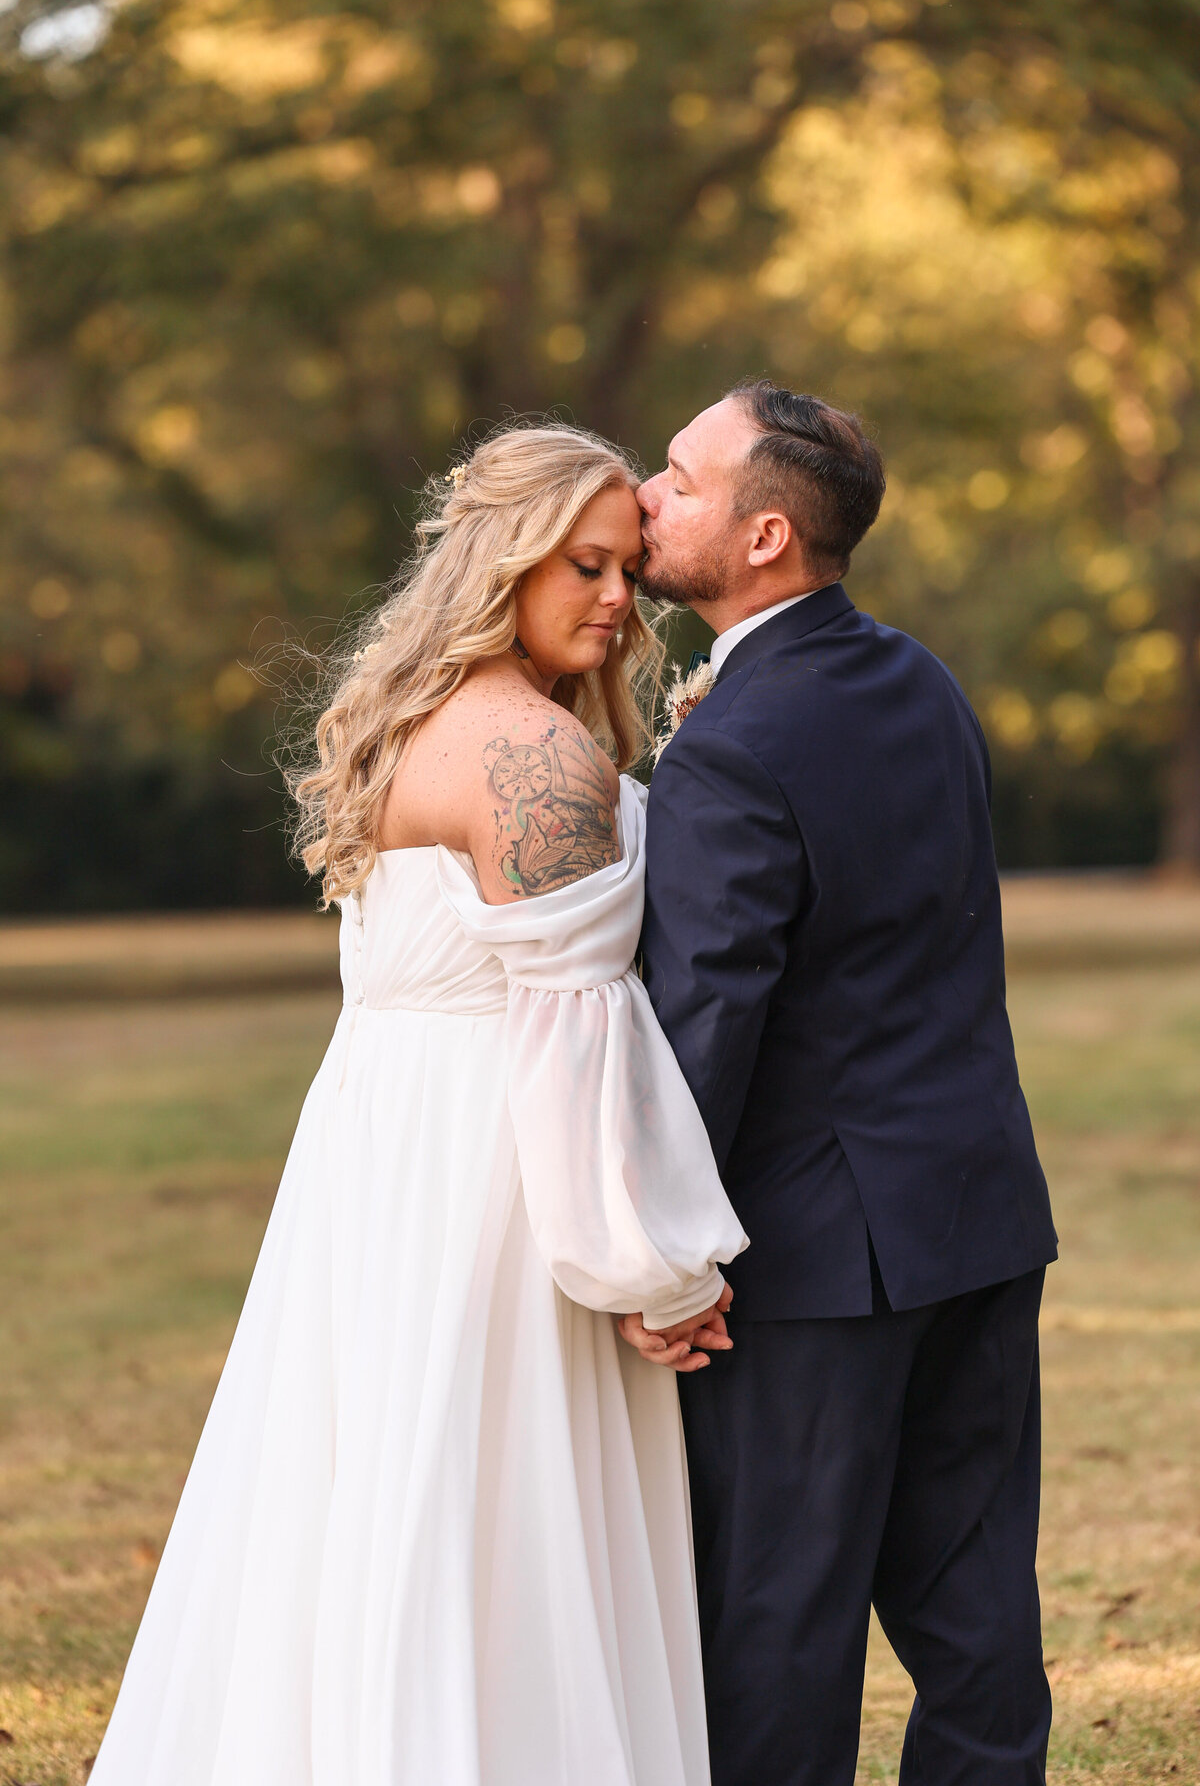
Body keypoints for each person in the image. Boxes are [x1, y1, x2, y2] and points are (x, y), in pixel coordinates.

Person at [88, 423, 747, 1786]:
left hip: (376, 1153)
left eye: (631, 570)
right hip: (489, 1177)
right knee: (492, 1510)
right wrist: (648, 1263)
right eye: (586, 566)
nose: (620, 600)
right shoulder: (536, 763)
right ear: (502, 560)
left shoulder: (409, 723)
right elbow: (582, 1041)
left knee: (374, 1498)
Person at [620, 381, 1059, 1786]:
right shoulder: (918, 678)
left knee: (775, 1627)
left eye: (678, 481)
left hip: (816, 1262)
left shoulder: (735, 742)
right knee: (975, 1613)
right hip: (977, 1214)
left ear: (761, 539)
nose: (645, 494)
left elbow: (707, 1021)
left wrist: (658, 1248)